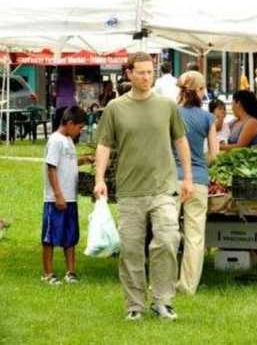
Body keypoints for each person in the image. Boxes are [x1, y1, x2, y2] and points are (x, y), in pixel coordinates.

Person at [94, 52, 193, 321]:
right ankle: (135, 305)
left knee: (168, 240)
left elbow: (181, 141)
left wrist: (187, 178)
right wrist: (99, 179)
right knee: (130, 249)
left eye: (150, 72)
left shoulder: (167, 106)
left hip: (164, 188)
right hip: (129, 191)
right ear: (129, 74)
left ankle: (163, 301)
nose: (146, 77)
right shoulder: (115, 108)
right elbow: (104, 145)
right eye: (141, 72)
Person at [175, 71, 219, 295]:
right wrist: (200, 162)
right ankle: (188, 285)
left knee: (167, 233)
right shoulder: (207, 118)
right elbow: (214, 154)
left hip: (171, 179)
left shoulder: (170, 113)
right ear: (199, 91)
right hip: (199, 180)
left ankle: (163, 282)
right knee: (195, 235)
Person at [41, 106, 89, 285]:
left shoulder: (68, 140)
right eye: (79, 127)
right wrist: (58, 194)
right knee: (50, 236)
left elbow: (69, 162)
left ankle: (71, 271)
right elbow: (51, 167)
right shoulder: (55, 140)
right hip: (56, 198)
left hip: (71, 198)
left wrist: (85, 160)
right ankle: (48, 273)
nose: (80, 131)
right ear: (69, 123)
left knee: (70, 236)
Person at [52, 67, 77, 131]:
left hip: (61, 102)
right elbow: (74, 91)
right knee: (71, 120)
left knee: (59, 120)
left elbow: (55, 92)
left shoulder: (58, 81)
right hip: (71, 102)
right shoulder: (72, 80)